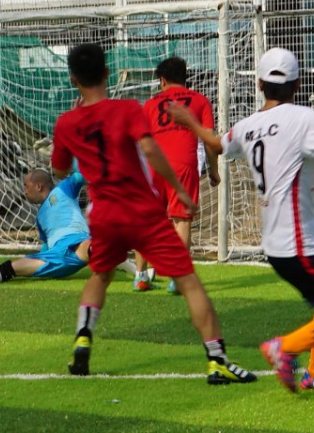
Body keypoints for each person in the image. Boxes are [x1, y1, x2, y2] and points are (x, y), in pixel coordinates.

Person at [169, 47, 314, 392]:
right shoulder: (304, 118)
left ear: (259, 84)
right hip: (301, 247)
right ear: (296, 85)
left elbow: (218, 145)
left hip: (276, 247)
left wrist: (190, 121)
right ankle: (287, 348)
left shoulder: (248, 126)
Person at [51, 43, 256, 385]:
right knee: (189, 282)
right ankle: (217, 360)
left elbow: (58, 172)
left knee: (99, 276)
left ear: (73, 79)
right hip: (141, 212)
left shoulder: (67, 123)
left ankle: (84, 337)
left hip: (103, 216)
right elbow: (150, 149)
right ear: (106, 72)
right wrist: (176, 189)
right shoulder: (128, 109)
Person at [0, 168, 129, 284]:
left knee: (94, 246)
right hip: (56, 257)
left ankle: (138, 271)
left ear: (39, 186)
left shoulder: (63, 189)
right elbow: (45, 246)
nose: (24, 191)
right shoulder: (40, 218)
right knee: (12, 267)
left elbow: (82, 175)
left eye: (26, 186)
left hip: (78, 244)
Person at [133, 56, 220, 294]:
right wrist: (213, 170)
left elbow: (141, 141)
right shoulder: (200, 100)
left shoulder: (150, 104)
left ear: (162, 80)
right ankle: (178, 278)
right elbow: (209, 140)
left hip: (154, 167)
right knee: (181, 220)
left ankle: (141, 276)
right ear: (185, 76)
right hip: (183, 164)